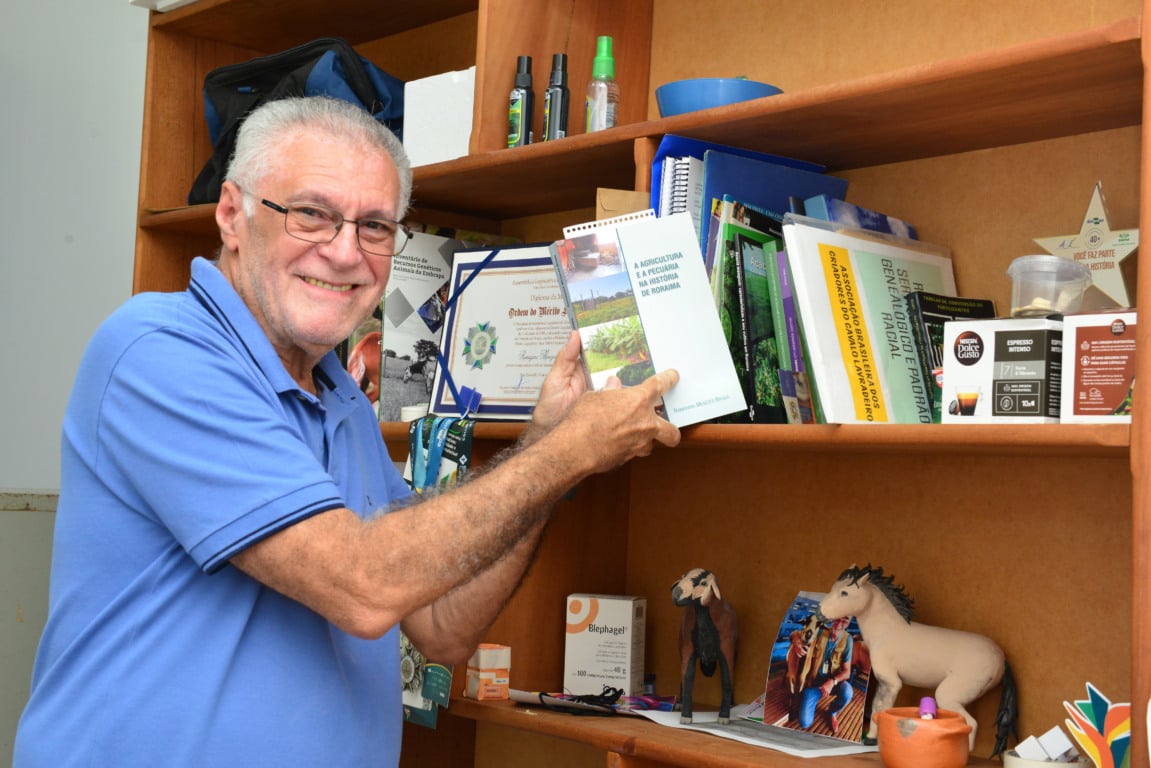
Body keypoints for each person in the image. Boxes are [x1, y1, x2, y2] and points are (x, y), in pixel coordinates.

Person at [14, 96, 681, 767]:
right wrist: (565, 454)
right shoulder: (159, 351)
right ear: (232, 213)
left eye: (375, 227)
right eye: (311, 214)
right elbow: (362, 587)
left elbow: (441, 627)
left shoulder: (339, 393)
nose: (344, 253)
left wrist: (546, 443)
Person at [797, 615, 854, 735]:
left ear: (848, 624)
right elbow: (796, 634)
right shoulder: (820, 632)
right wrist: (796, 643)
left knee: (847, 692)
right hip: (814, 683)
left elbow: (847, 672)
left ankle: (832, 712)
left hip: (832, 684)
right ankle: (810, 697)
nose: (840, 623)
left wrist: (832, 681)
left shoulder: (848, 640)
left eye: (845, 621)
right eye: (838, 618)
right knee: (805, 723)